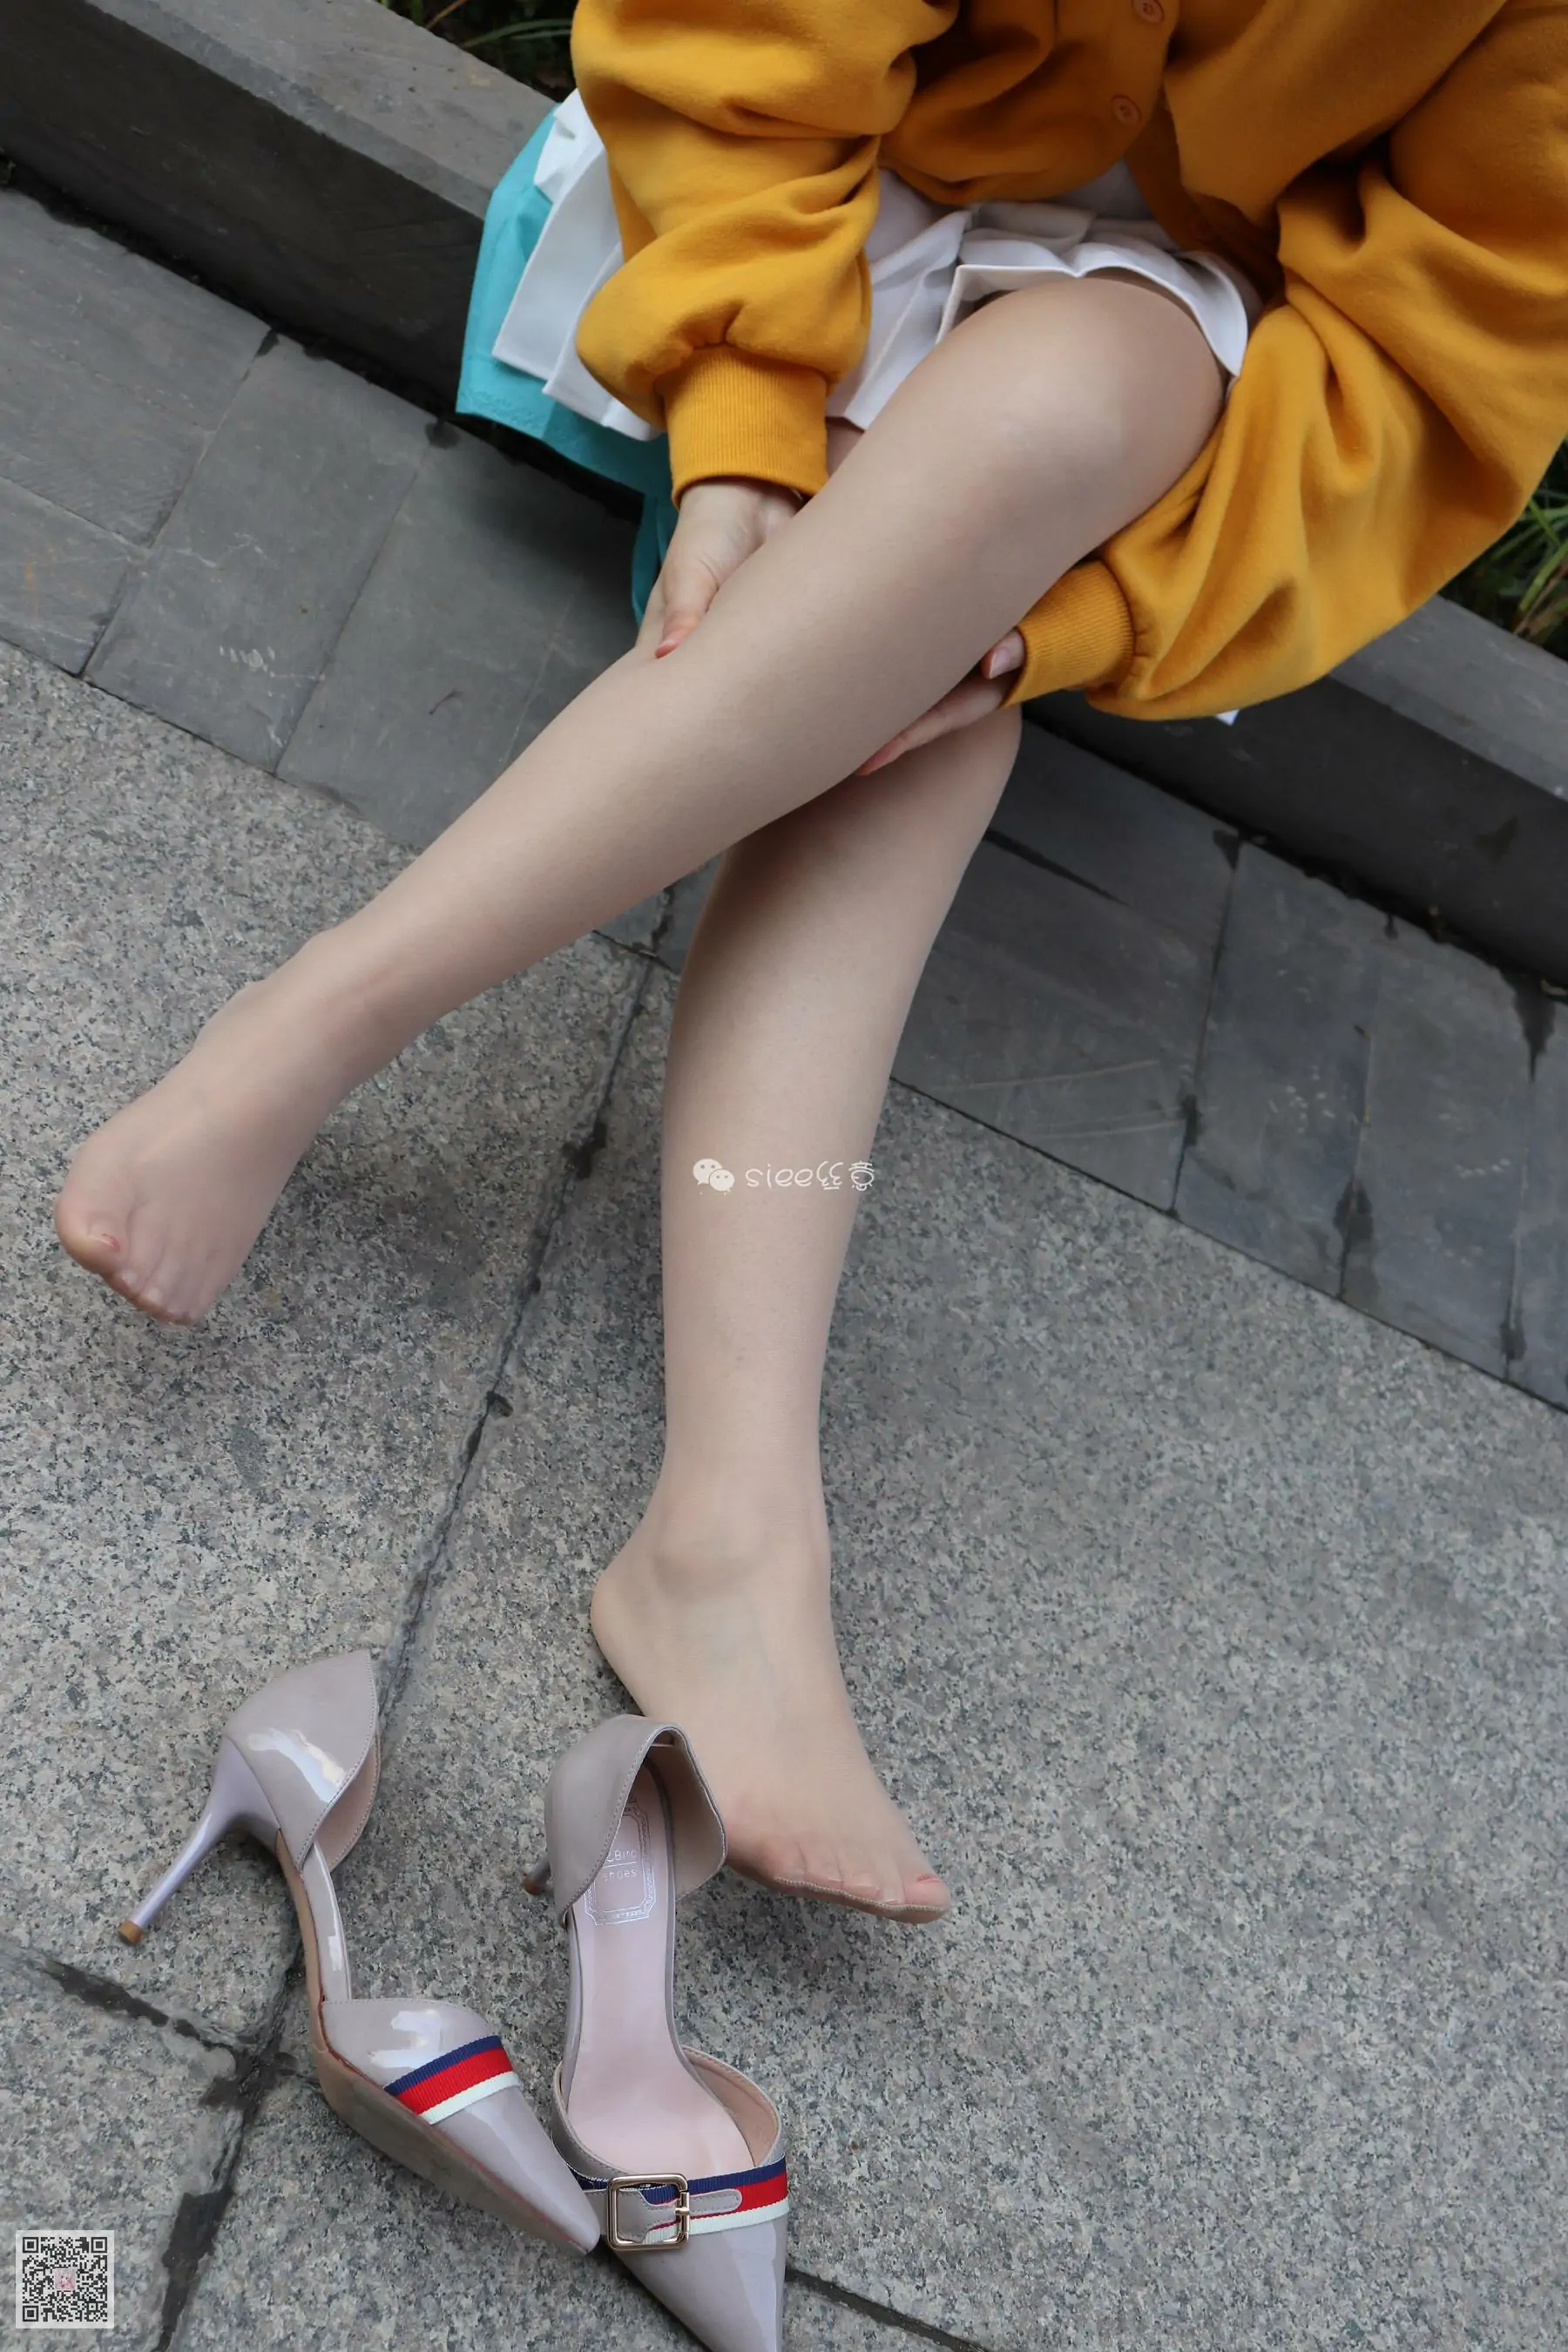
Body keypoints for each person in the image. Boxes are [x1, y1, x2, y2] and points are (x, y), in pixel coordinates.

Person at [55, 1, 1568, 1924]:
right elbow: (760, 31)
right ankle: (717, 1513)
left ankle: (344, 1064)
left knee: (1073, 416)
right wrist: (745, 432)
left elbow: (1439, 366)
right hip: (777, 212)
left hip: (1137, 395)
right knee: (931, 626)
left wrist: (1057, 623)